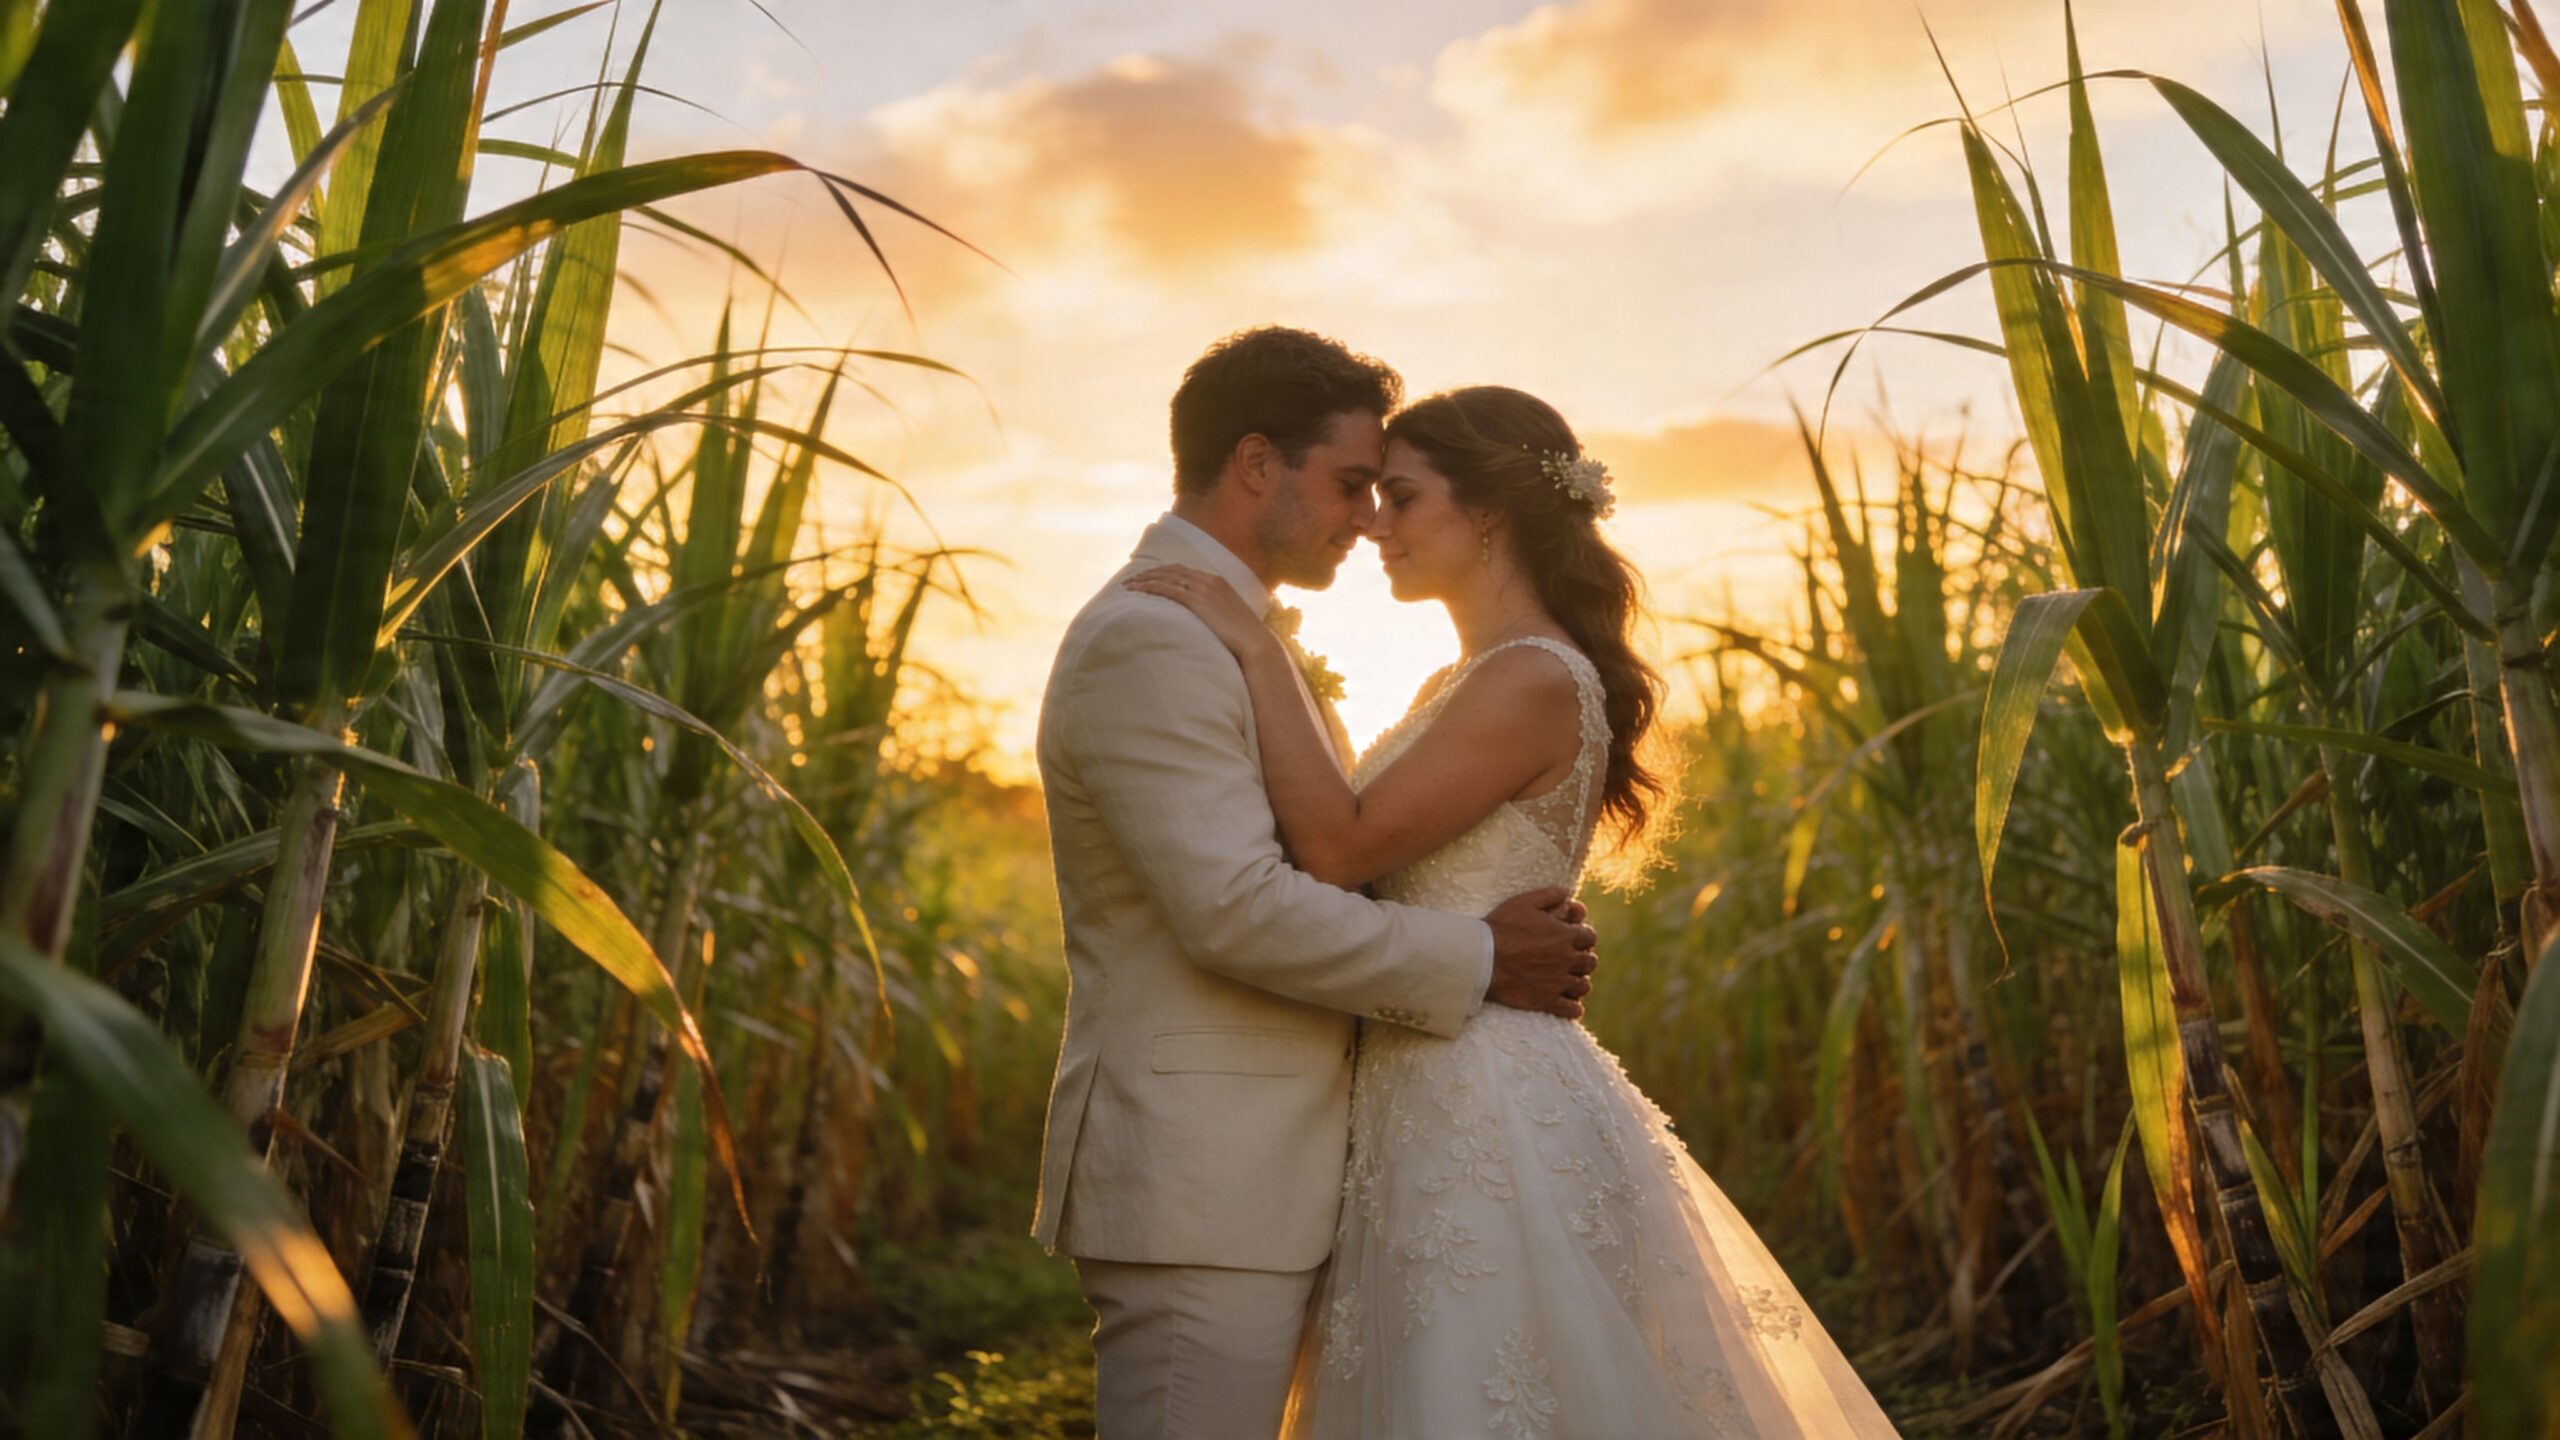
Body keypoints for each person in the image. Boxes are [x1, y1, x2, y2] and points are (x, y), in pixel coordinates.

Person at [1132, 383, 1904, 1437]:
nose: (1374, 524)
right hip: (1422, 1078)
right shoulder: (1457, 683)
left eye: (1401, 498)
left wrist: (1257, 647)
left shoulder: (1531, 678)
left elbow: (1343, 845)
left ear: (1488, 512)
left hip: (1482, 1097)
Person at [1032, 328, 1605, 1440]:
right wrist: (1485, 958)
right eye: (1352, 485)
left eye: (1388, 493)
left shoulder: (1236, 635)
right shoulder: (1155, 637)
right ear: (1257, 464)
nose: (1365, 518)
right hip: (1206, 1177)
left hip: (1311, 1163)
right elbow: (1238, 909)